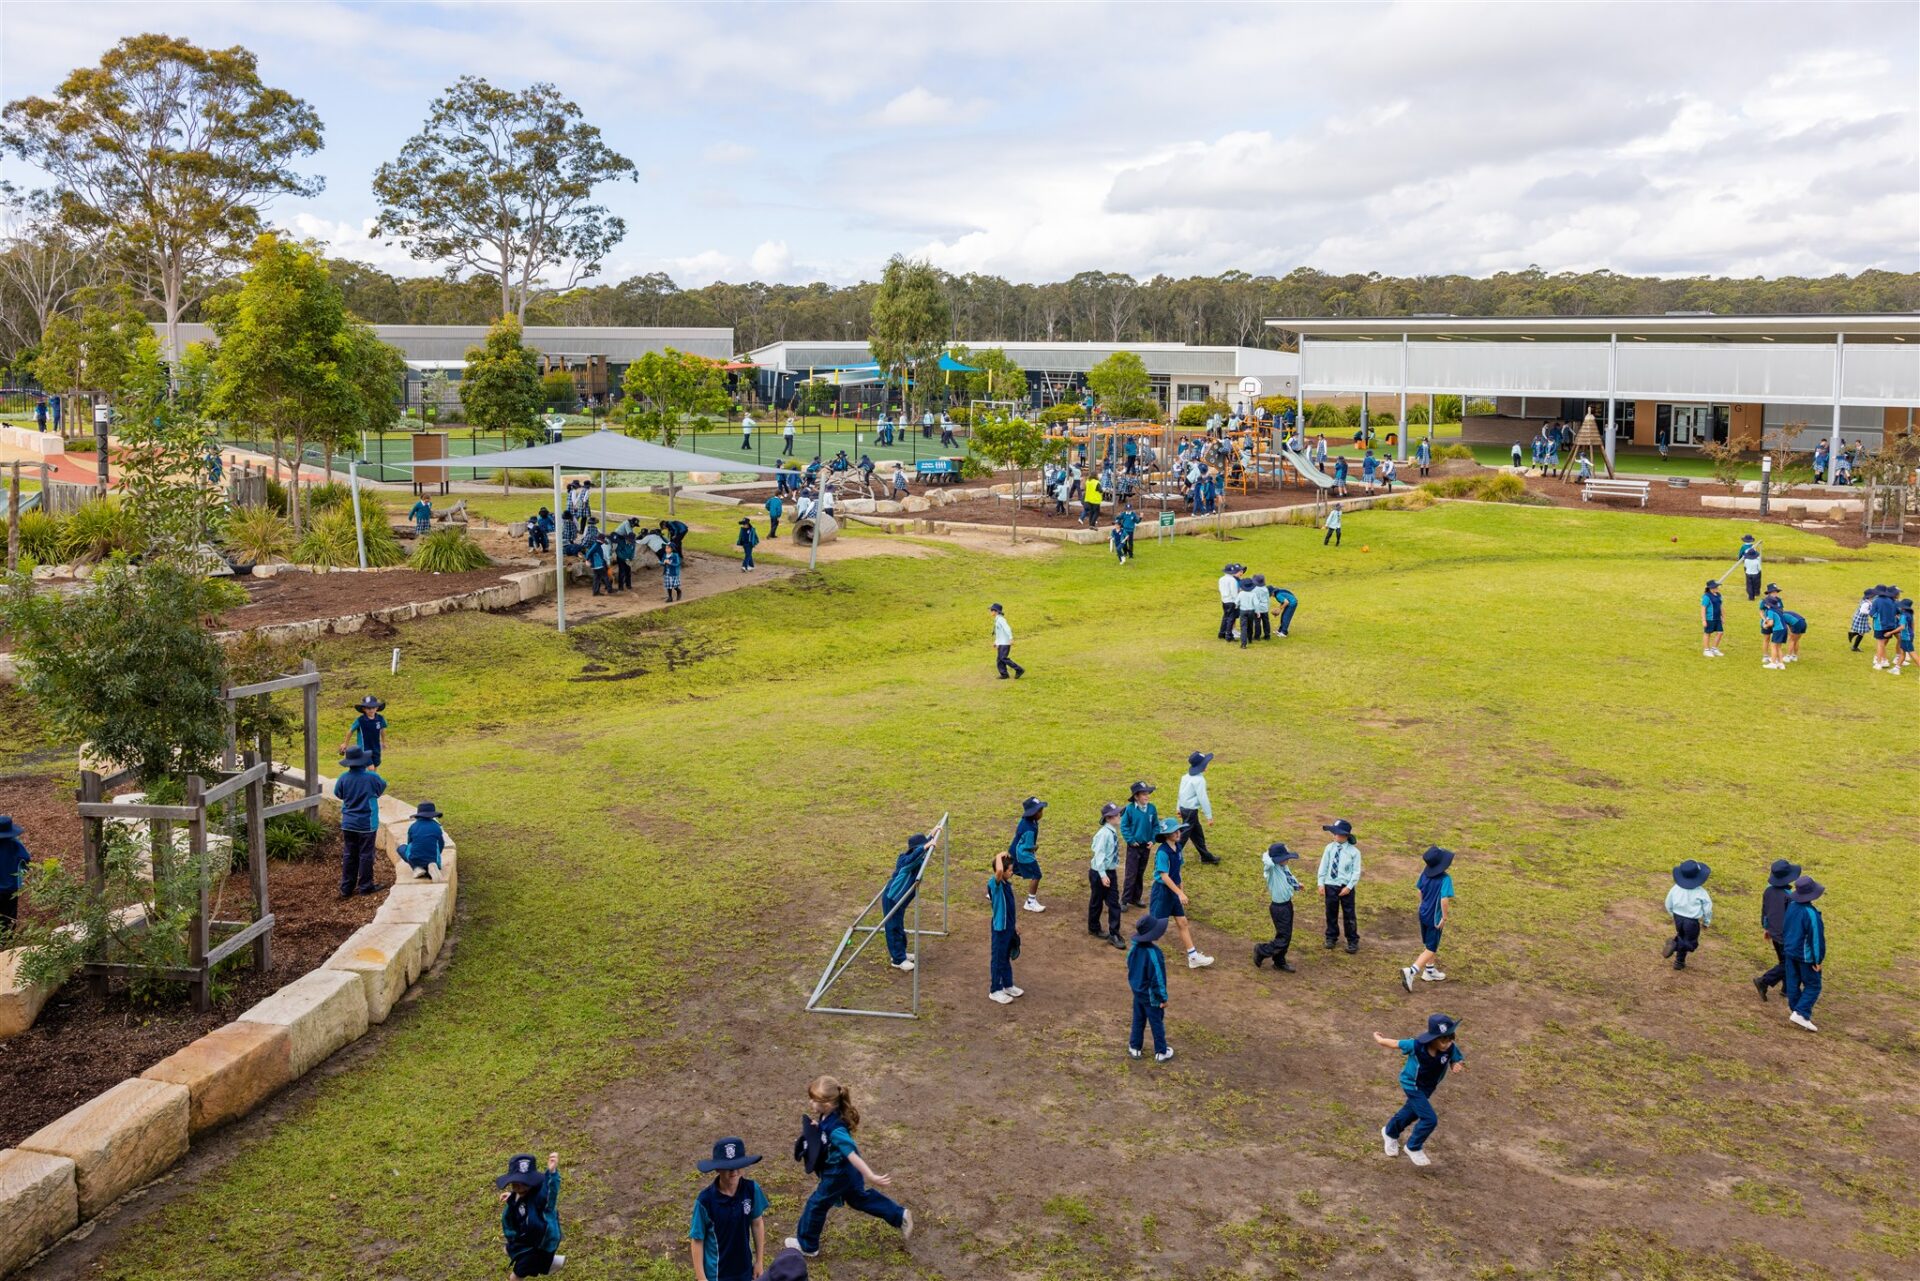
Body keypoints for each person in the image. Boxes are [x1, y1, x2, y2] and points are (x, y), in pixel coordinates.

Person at [786, 1075, 911, 1259]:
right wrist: (818, 1127)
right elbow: (825, 1131)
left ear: (827, 1104)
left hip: (838, 1174)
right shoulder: (828, 1115)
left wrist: (870, 1175)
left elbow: (852, 1153)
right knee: (858, 1199)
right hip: (847, 1173)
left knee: (816, 1204)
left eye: (814, 1100)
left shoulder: (837, 1130)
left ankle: (807, 1245)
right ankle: (899, 1216)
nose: (810, 1102)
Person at [1373, 1014, 1465, 1167]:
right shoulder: (1416, 1046)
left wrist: (1456, 1064)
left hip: (1428, 1087)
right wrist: (1380, 1039)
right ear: (1433, 1038)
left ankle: (1389, 1132)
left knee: (1411, 1112)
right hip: (1412, 1085)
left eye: (1450, 1039)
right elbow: (1396, 1043)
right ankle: (1413, 1147)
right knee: (1430, 1119)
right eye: (1443, 1040)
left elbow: (1457, 1058)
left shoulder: (1450, 1048)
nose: (1447, 1044)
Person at [689, 1138, 767, 1281]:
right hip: (717, 1274)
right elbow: (697, 1240)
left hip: (744, 1270)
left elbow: (757, 1223)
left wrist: (759, 1261)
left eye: (738, 1165)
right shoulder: (705, 1201)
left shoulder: (752, 1190)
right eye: (728, 1167)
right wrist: (701, 1278)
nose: (734, 1171)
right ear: (717, 1168)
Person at [497, 1153, 564, 1279]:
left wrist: (552, 1172)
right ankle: (550, 1262)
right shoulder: (518, 1195)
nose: (520, 1188)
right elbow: (521, 1201)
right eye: (516, 1184)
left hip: (536, 1246)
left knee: (514, 1277)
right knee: (507, 1250)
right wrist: (512, 1196)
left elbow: (551, 1193)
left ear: (532, 1182)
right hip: (524, 1239)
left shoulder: (541, 1200)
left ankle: (546, 1261)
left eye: (524, 1184)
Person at [332, 747, 387, 898]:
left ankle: (346, 888)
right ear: (363, 761)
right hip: (367, 824)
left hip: (348, 823)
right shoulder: (372, 777)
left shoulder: (343, 778)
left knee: (349, 854)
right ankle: (365, 886)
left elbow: (338, 793)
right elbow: (382, 787)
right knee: (366, 855)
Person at [1402, 846, 1455, 991]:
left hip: (1423, 913)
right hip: (1435, 918)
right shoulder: (1445, 879)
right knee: (1431, 948)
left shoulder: (1424, 874)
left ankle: (1430, 971)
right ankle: (1411, 971)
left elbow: (1419, 889)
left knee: (1429, 944)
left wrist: (1422, 904)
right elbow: (1444, 899)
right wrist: (1444, 917)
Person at [1126, 913, 1174, 1061]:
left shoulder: (1133, 950)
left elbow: (1130, 966)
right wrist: (1162, 998)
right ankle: (1161, 1051)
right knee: (1156, 1022)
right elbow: (1158, 979)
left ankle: (1135, 1047)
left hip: (1138, 993)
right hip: (1152, 997)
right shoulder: (1154, 954)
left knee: (1138, 1019)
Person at [1781, 875, 1826, 1032]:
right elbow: (1816, 939)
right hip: (1806, 957)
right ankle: (1801, 1012)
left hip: (1789, 950)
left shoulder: (1792, 906)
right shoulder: (1811, 913)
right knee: (1813, 985)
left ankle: (1796, 1009)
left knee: (1792, 982)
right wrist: (1818, 960)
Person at [1752, 857, 1801, 1001]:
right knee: (1788, 964)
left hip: (1774, 933)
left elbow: (1765, 911)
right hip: (1786, 936)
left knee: (1784, 961)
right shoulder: (1790, 897)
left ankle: (1787, 988)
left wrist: (1766, 927)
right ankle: (1764, 981)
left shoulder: (1768, 891)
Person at [880, 832, 931, 972]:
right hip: (892, 898)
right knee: (893, 928)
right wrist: (924, 847)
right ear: (916, 849)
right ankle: (897, 960)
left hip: (900, 900)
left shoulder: (918, 858)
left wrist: (932, 835)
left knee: (899, 926)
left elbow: (926, 851)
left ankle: (901, 954)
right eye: (922, 848)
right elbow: (911, 859)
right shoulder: (904, 860)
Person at [1254, 842, 1301, 972]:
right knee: (1283, 937)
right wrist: (1267, 854)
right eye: (1284, 858)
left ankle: (1279, 961)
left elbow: (1289, 877)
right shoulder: (1271, 869)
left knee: (1286, 935)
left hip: (1287, 905)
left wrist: (1297, 885)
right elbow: (1268, 862)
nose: (1287, 860)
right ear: (1276, 859)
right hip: (1279, 908)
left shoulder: (1283, 867)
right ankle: (1262, 950)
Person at [1317, 818, 1362, 953]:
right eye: (1334, 833)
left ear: (1345, 836)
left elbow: (1356, 871)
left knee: (1349, 915)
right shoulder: (1329, 848)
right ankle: (1331, 936)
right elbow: (1323, 866)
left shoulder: (1354, 852)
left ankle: (1352, 940)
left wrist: (1349, 887)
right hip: (1330, 885)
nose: (1335, 836)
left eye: (1338, 834)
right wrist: (1321, 883)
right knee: (1331, 912)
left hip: (1345, 887)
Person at [1087, 803, 1125, 949]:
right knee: (1097, 901)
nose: (1119, 816)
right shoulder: (1104, 834)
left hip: (1109, 872)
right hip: (1099, 872)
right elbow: (1099, 856)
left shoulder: (1111, 832)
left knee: (1113, 902)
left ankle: (1114, 932)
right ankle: (1094, 927)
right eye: (1116, 814)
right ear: (1109, 818)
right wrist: (1103, 875)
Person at [1663, 859, 1712, 970]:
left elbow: (1668, 903)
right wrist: (1706, 922)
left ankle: (1679, 962)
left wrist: (1673, 914)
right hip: (1692, 922)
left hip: (1678, 918)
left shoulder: (1675, 888)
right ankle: (1675, 945)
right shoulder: (1701, 892)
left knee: (1682, 936)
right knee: (1691, 944)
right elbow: (1707, 909)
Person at [986, 851, 1020, 1003]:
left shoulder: (1007, 884)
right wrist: (999, 856)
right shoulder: (995, 884)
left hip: (1008, 928)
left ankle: (1007, 984)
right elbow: (999, 870)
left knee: (1005, 957)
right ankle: (995, 989)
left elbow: (1010, 910)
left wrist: (1014, 926)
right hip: (1000, 929)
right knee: (998, 958)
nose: (1012, 872)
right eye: (1010, 870)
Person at [1119, 782, 1159, 909]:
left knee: (1140, 872)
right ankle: (1125, 900)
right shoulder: (1130, 809)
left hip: (1146, 846)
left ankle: (1136, 898)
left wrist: (1153, 840)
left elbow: (1156, 826)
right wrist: (1130, 840)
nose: (1147, 796)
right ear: (1136, 797)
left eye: (1147, 794)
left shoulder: (1152, 808)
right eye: (1144, 794)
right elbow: (1124, 826)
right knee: (1131, 873)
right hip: (1134, 847)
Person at [1176, 750, 1219, 866]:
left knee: (1197, 833)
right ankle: (1173, 855)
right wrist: (1209, 816)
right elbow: (1203, 799)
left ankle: (1205, 856)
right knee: (1184, 834)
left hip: (1185, 809)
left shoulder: (1185, 777)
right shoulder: (1199, 780)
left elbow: (1180, 793)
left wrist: (1178, 808)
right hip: (1191, 811)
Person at [1009, 795, 1046, 913]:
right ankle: (1030, 902)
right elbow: (1028, 847)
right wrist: (1034, 847)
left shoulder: (1028, 821)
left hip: (1014, 850)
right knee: (1036, 875)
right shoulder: (1030, 828)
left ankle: (993, 891)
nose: (1042, 812)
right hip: (1022, 854)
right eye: (1040, 810)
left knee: (1010, 870)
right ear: (1033, 813)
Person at [398, 801, 446, 880]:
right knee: (432, 852)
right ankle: (431, 866)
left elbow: (410, 844)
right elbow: (441, 844)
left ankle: (416, 868)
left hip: (415, 858)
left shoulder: (413, 827)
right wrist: (437, 854)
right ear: (433, 815)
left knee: (401, 848)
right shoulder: (437, 827)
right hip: (433, 858)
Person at [0, 816, 31, 935]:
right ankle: (8, 938)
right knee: (9, 915)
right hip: (11, 888)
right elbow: (26, 858)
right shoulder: (15, 844)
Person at [341, 695, 389, 768]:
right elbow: (350, 731)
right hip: (364, 748)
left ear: (377, 708)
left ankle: (371, 779)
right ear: (364, 709)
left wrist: (383, 742)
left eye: (373, 707)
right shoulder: (360, 720)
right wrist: (345, 743)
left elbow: (382, 730)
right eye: (368, 708)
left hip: (376, 747)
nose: (371, 710)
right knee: (371, 768)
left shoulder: (380, 719)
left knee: (375, 767)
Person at [1870, 583, 1901, 669]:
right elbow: (1897, 611)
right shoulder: (1892, 601)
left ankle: (1880, 662)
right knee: (1883, 643)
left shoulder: (1877, 600)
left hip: (1880, 625)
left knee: (1880, 643)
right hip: (1891, 625)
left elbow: (1872, 613)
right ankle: (1884, 660)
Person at [990, 603, 1024, 680]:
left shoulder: (1001, 620)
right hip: (1001, 643)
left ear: (996, 611)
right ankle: (1004, 674)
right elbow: (998, 633)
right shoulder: (997, 620)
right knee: (999, 659)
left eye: (992, 610)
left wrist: (1011, 638)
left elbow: (1007, 628)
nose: (990, 612)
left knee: (1003, 658)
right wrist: (996, 642)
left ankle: (1019, 669)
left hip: (1005, 643)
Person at [1216, 563, 1242, 640]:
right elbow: (1234, 593)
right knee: (1231, 618)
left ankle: (1221, 633)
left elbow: (1220, 589)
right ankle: (1229, 635)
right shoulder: (1232, 580)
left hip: (1224, 600)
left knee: (1225, 617)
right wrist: (1237, 602)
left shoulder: (1221, 579)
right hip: (1231, 601)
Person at [1700, 579, 1724, 658]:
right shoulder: (1707, 596)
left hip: (1717, 618)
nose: (1717, 588)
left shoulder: (1719, 595)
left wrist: (1723, 616)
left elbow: (1721, 606)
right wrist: (1704, 620)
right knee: (1708, 633)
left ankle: (1714, 649)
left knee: (1720, 632)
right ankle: (1706, 650)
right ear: (1711, 588)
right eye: (1715, 586)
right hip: (1710, 618)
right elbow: (1703, 608)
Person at [585, 530, 613, 596]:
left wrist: (588, 560)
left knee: (596, 579)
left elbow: (590, 553)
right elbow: (589, 553)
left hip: (596, 565)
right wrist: (587, 560)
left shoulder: (596, 545)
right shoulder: (596, 546)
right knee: (605, 577)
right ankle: (610, 590)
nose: (603, 542)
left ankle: (595, 592)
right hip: (599, 565)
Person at [1736, 534, 1763, 601]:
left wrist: (1739, 559)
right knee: (1756, 582)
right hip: (1755, 571)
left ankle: (1751, 596)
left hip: (1748, 568)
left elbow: (1740, 554)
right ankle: (1757, 592)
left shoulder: (1743, 547)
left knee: (1749, 584)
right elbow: (1758, 564)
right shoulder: (1753, 547)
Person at [1235, 576, 1259, 648]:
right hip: (1251, 611)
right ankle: (1250, 639)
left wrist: (1236, 606)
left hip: (1243, 611)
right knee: (1250, 625)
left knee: (1243, 627)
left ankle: (1243, 643)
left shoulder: (1241, 594)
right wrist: (1258, 612)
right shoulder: (1253, 594)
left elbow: (1236, 602)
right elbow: (1256, 603)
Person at [611, 523, 636, 591]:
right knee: (622, 572)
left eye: (632, 541)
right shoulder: (621, 542)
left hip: (628, 559)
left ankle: (628, 585)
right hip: (621, 558)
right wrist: (624, 559)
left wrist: (631, 559)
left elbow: (633, 551)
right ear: (627, 539)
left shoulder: (633, 543)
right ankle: (620, 586)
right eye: (630, 541)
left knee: (628, 571)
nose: (631, 542)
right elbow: (618, 551)